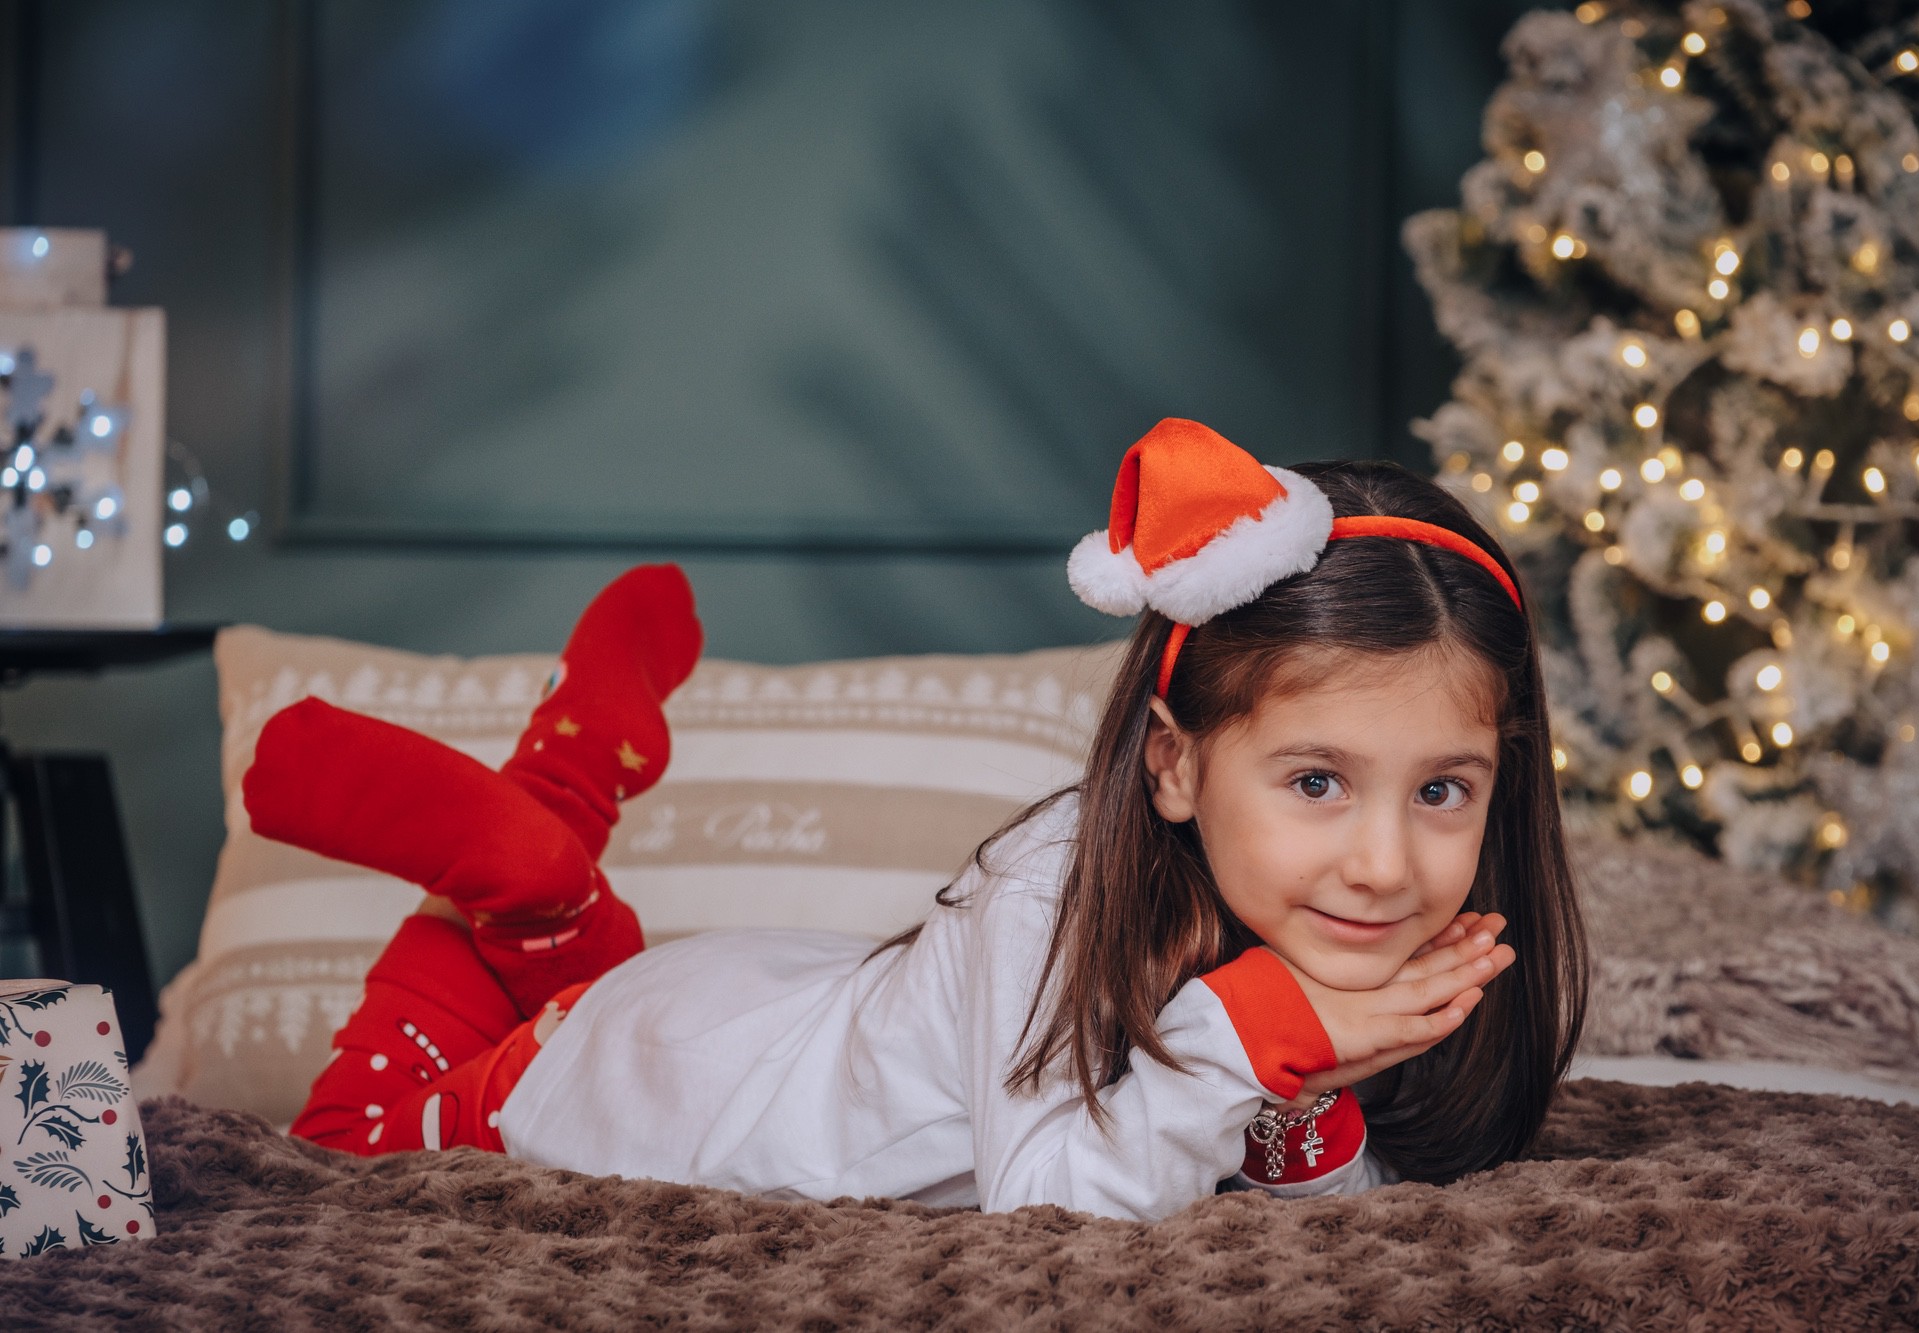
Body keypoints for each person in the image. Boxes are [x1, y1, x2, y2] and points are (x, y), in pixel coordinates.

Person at [249, 418, 1587, 1222]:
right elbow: (1050, 1210)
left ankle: (555, 837)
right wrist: (1270, 1038)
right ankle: (545, 815)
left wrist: (1313, 1086)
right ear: (1174, 767)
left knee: (572, 963)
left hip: (747, 1002)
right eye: (1316, 780)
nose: (1382, 859)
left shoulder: (1325, 923)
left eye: (1441, 790)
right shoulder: (1053, 885)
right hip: (630, 1082)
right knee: (347, 1138)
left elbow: (1319, 1226)